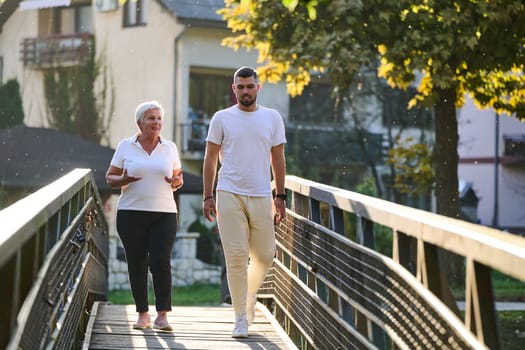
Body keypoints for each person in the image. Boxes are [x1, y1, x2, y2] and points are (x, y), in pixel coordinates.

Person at [202, 66, 287, 338]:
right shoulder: (222, 118)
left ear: (258, 88)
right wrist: (208, 194)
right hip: (229, 193)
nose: (245, 91)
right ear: (234, 89)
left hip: (262, 194)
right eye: (241, 87)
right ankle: (240, 316)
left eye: (250, 86)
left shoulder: (272, 118)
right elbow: (210, 159)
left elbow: (278, 159)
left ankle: (248, 298)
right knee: (236, 257)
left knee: (265, 254)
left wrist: (281, 195)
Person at [105, 100, 183, 332]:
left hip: (164, 214)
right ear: (139, 122)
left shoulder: (169, 147)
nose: (157, 122)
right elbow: (110, 177)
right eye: (151, 118)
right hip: (131, 213)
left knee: (160, 261)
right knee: (137, 263)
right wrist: (124, 180)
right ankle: (142, 313)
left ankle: (162, 315)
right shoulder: (125, 146)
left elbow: (178, 178)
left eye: (159, 118)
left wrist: (176, 182)